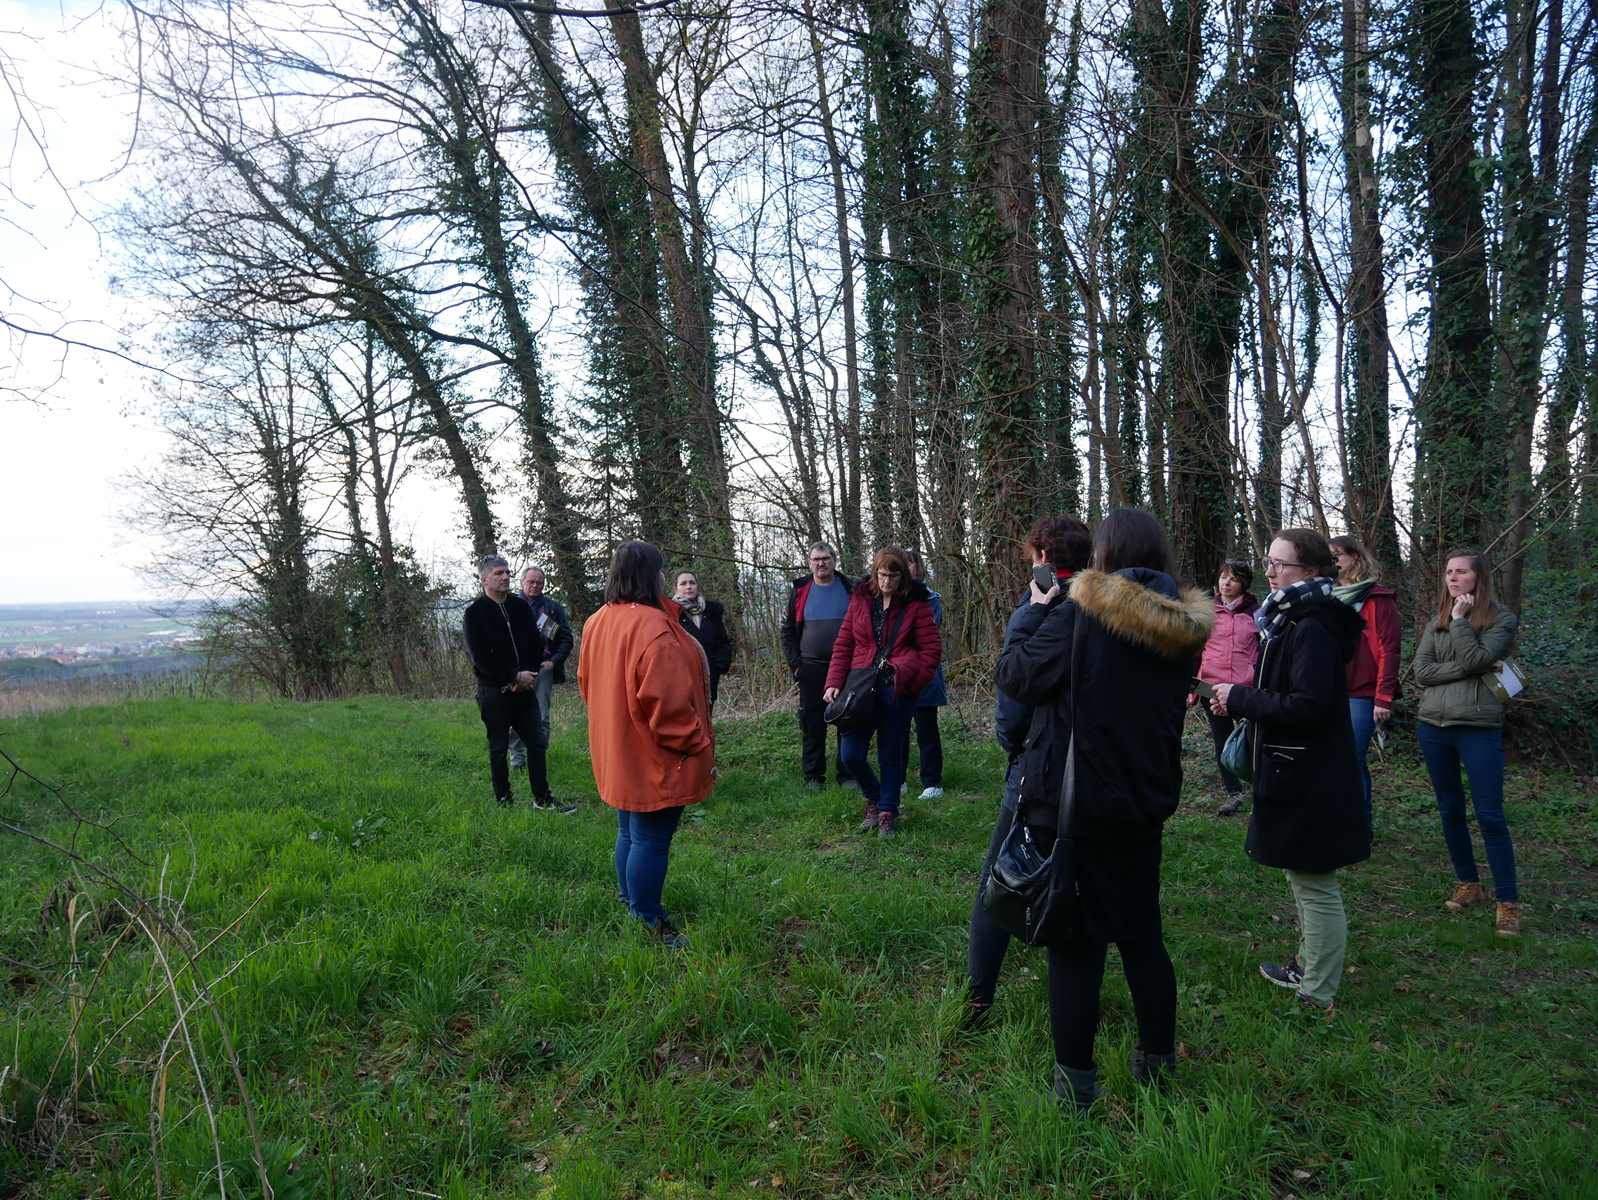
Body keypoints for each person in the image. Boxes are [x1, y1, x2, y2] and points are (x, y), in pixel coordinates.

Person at [994, 509, 1211, 1110]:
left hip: (1074, 800)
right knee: (1143, 936)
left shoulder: (1079, 611)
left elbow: (1014, 676)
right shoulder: (1184, 626)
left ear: (1104, 555)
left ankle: (1075, 1087)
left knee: (1076, 946)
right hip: (1144, 798)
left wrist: (1031, 616)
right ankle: (1158, 1069)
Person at [1209, 528, 1369, 1016]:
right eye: (1270, 561)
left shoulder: (1312, 627)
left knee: (1315, 883)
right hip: (1294, 768)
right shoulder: (1291, 618)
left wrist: (1240, 697)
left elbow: (1311, 706)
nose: (1272, 571)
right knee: (1303, 878)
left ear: (1314, 572)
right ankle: (1308, 965)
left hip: (1310, 775)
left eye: (1283, 564)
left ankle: (1317, 992)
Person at [966, 513, 1092, 1029]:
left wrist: (1010, 744)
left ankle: (977, 997)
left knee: (999, 878)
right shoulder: (1106, 606)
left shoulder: (1045, 609)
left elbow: (1014, 692)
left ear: (1042, 556)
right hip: (1092, 769)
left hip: (1039, 766)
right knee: (1080, 882)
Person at [578, 541, 716, 949]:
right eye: (660, 570)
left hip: (618, 746)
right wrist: (698, 744)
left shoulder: (597, 620)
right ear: (649, 576)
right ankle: (648, 920)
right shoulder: (653, 627)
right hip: (653, 754)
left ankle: (631, 902)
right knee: (651, 838)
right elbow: (669, 707)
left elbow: (588, 685)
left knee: (630, 830)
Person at [1412, 547, 1522, 937]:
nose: (1453, 578)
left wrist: (1460, 622)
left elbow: (1481, 660)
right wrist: (1467, 665)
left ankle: (1507, 901)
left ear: (1479, 578)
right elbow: (1421, 671)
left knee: (1490, 815)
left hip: (1477, 726)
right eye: (1448, 572)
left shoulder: (1500, 618)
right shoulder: (1435, 619)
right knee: (1449, 809)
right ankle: (1468, 883)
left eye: (1461, 572)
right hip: (1433, 725)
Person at [822, 546, 941, 838]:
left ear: (903, 576)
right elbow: (844, 643)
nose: (887, 581)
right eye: (882, 574)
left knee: (891, 754)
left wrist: (912, 684)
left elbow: (931, 650)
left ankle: (887, 810)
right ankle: (874, 797)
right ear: (875, 573)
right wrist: (833, 681)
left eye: (893, 575)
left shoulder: (917, 602)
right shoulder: (860, 598)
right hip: (860, 687)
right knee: (850, 755)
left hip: (896, 688)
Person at [461, 555, 575, 813]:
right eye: (499, 573)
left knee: (537, 742)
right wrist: (513, 677)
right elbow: (479, 658)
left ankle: (543, 799)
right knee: (499, 748)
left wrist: (529, 675)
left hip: (525, 691)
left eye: (507, 572)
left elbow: (536, 644)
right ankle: (504, 801)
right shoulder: (474, 613)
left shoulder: (519, 607)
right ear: (484, 579)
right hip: (494, 692)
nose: (505, 577)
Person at [1329, 536, 1401, 839]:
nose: (1333, 562)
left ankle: (1360, 826)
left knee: (1352, 756)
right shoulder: (1328, 594)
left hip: (1363, 691)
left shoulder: (1377, 598)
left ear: (1356, 558)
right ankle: (1336, 819)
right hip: (1331, 687)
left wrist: (1383, 697)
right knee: (1332, 757)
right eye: (1329, 557)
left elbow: (1389, 649)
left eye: (1338, 556)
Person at [780, 543, 856, 789]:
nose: (820, 563)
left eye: (825, 558)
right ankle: (814, 777)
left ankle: (848, 775)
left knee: (848, 721)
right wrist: (796, 666)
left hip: (847, 668)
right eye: (815, 559)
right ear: (809, 562)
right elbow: (787, 631)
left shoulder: (851, 588)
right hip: (810, 668)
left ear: (835, 560)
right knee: (812, 723)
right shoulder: (800, 590)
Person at [1192, 559, 1261, 817]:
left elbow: (1264, 651)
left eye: (1232, 578)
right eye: (1223, 577)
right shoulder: (1207, 611)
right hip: (1210, 685)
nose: (1226, 583)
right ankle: (1233, 794)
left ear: (1243, 583)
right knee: (1221, 739)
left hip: (1245, 687)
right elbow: (1195, 650)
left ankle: (1259, 789)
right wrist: (1193, 686)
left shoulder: (1258, 613)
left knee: (1253, 740)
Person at [508, 565, 576, 771]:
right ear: (522, 582)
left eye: (539, 582)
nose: (535, 585)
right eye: (531, 581)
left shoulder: (552, 608)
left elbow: (566, 638)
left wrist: (554, 661)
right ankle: (517, 760)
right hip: (516, 670)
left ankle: (538, 757)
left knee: (542, 716)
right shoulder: (509, 605)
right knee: (515, 714)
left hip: (542, 669)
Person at [904, 548, 946, 801]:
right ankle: (897, 779)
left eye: (910, 564)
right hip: (895, 675)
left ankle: (932, 782)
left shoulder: (931, 599)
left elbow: (925, 637)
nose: (906, 569)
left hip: (924, 674)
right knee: (895, 730)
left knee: (926, 729)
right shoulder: (886, 597)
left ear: (917, 567)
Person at [672, 570, 734, 708]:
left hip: (709, 676)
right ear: (675, 588)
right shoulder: (671, 614)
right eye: (683, 583)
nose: (688, 586)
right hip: (682, 679)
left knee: (707, 716)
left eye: (692, 583)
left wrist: (720, 666)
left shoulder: (711, 611)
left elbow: (723, 641)